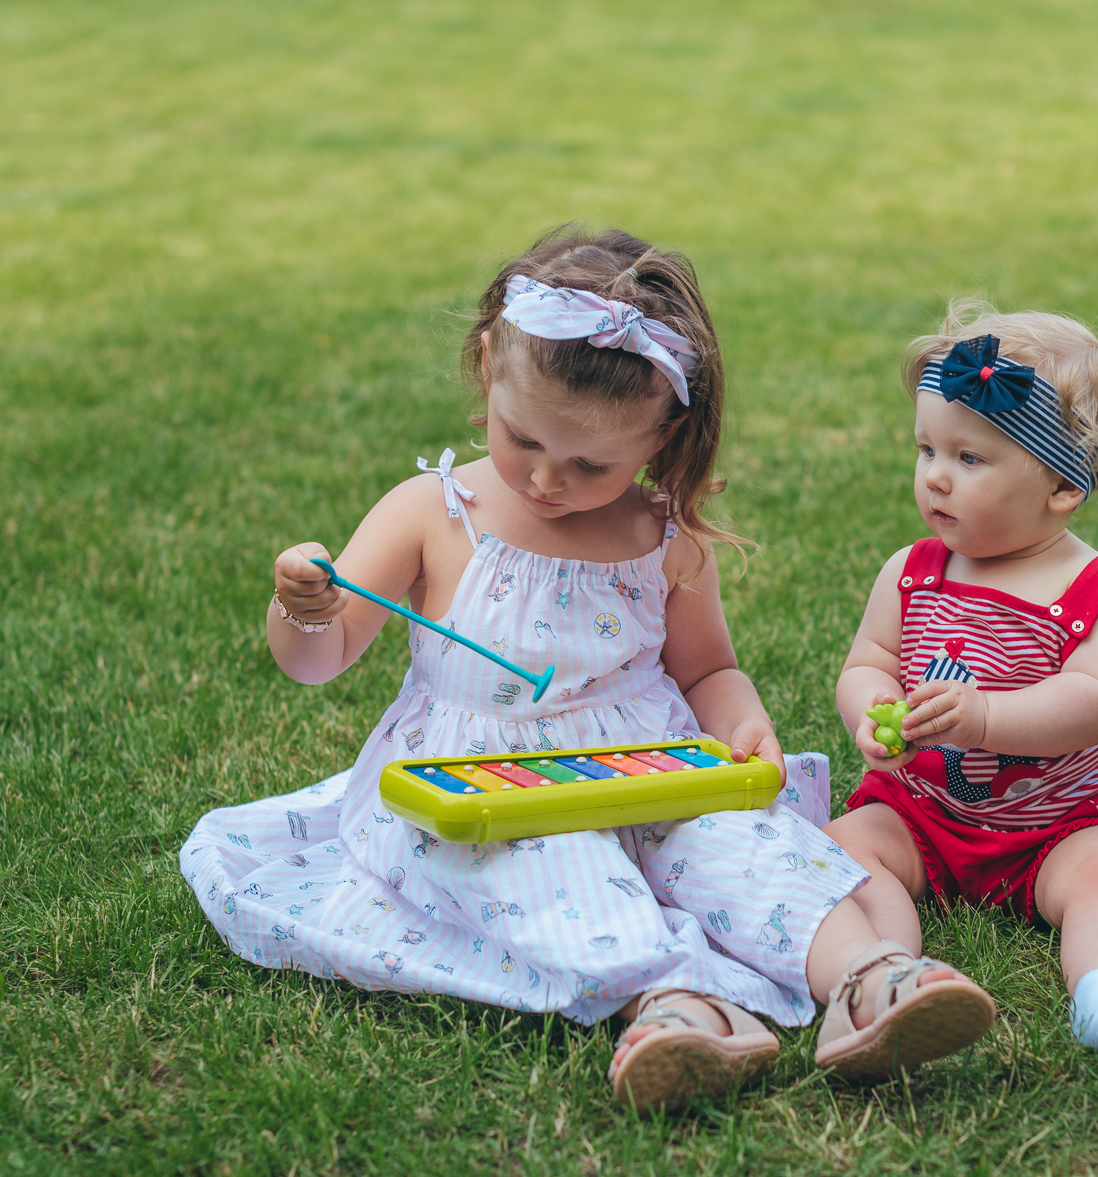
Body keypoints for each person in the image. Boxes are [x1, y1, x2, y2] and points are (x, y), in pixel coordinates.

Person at [180, 228, 995, 1113]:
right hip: (481, 787)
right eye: (522, 438)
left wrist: (739, 720)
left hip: (648, 762)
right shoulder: (433, 513)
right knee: (555, 873)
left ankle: (868, 979)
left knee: (740, 850)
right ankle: (676, 1002)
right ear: (489, 364)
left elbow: (708, 668)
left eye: (591, 464)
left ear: (662, 432)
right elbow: (318, 658)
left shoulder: (660, 534)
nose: (545, 480)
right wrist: (303, 607)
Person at [824, 302, 1098, 1059]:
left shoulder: (1091, 589)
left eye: (970, 459)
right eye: (926, 450)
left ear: (1061, 488)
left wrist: (984, 719)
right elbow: (868, 662)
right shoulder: (913, 573)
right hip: (923, 807)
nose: (936, 478)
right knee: (844, 850)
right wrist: (872, 707)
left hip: (1061, 820)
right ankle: (888, 977)